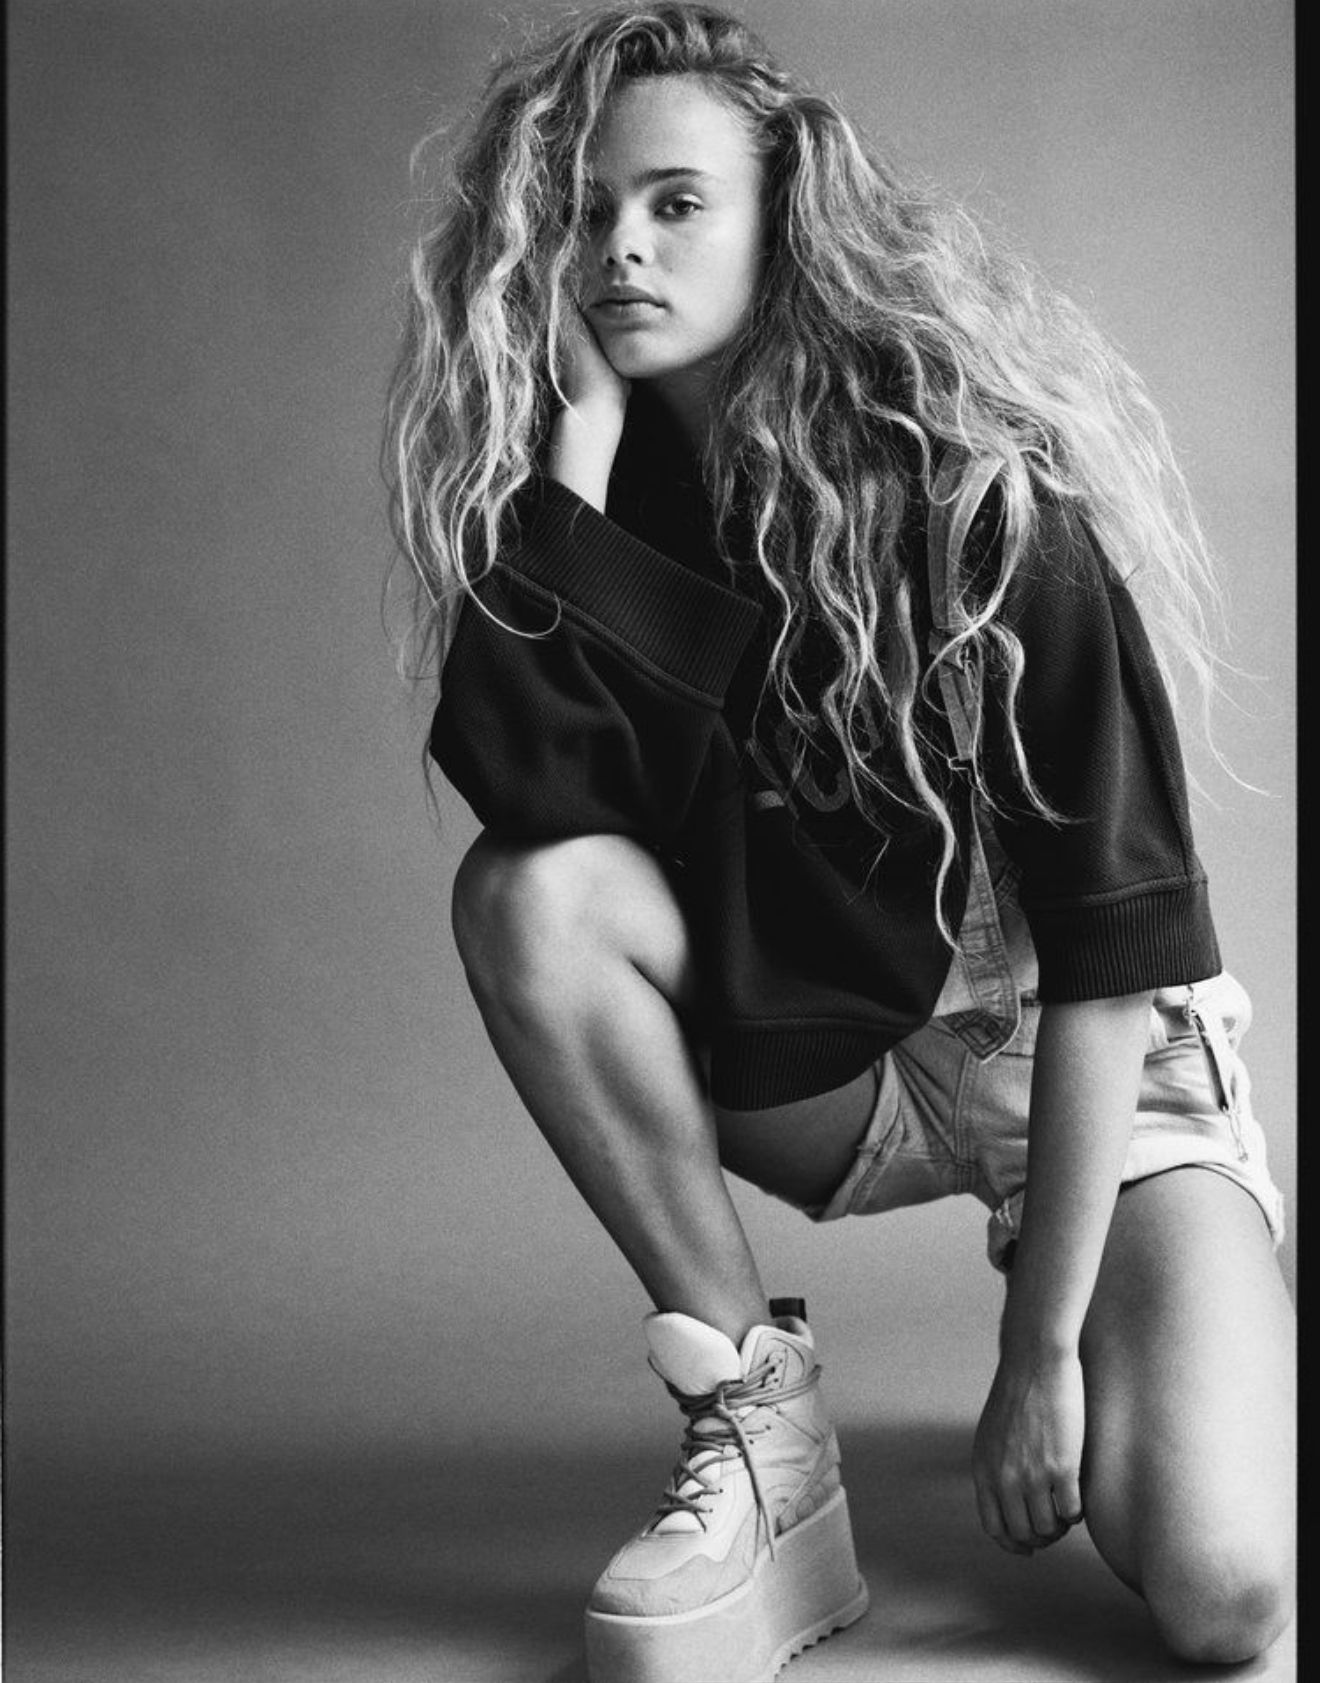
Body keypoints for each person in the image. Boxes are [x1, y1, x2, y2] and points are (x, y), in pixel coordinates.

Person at [383, 6, 1295, 1678]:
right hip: (832, 1067)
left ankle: (1178, 1317)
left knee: (1225, 1593)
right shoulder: (595, 501)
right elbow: (528, 797)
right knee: (530, 896)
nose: (619, 249)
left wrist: (1040, 1354)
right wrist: (575, 464)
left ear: (782, 226)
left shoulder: (978, 502)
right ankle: (762, 1428)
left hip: (1085, 1077)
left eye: (676, 203)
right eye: (587, 211)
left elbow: (1114, 960)